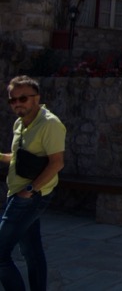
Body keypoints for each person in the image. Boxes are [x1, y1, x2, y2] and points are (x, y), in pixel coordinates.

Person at [0, 76, 66, 291]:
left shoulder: (50, 124)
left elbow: (57, 163)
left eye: (23, 98)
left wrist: (29, 190)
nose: (17, 103)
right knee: (32, 251)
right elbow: (21, 158)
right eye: (12, 100)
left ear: (36, 98)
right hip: (17, 193)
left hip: (29, 197)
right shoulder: (20, 123)